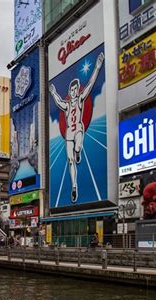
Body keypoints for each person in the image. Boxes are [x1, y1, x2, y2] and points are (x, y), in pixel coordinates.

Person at [49, 52, 105, 203]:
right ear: (69, 92)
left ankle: (78, 151)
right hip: (69, 133)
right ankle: (74, 186)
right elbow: (58, 102)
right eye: (71, 90)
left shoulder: (80, 99)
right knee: (70, 160)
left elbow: (90, 85)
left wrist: (97, 67)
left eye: (75, 90)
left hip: (78, 129)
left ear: (77, 90)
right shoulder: (67, 105)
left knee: (78, 147)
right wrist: (53, 93)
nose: (73, 92)